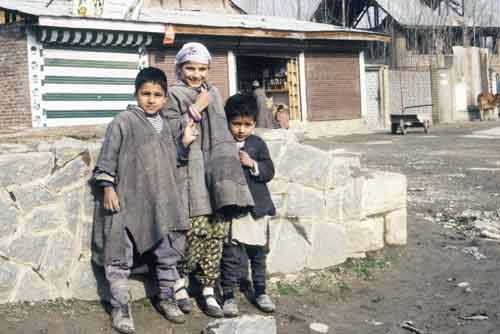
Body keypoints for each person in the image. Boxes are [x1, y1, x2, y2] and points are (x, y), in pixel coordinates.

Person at [92, 67, 197, 333]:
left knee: (167, 253)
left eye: (157, 95)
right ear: (136, 94)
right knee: (119, 257)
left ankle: (167, 298)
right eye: (145, 93)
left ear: (165, 98)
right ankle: (121, 308)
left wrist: (184, 143)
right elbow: (108, 159)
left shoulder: (168, 125)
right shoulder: (123, 122)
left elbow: (172, 162)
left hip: (160, 203)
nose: (151, 99)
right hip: (127, 200)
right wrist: (108, 188)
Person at [163, 42, 254, 318]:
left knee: (217, 231)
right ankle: (178, 282)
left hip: (217, 171)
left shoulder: (213, 92)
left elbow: (224, 129)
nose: (196, 74)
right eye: (190, 68)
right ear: (179, 69)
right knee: (195, 230)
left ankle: (207, 289)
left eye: (202, 69)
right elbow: (167, 129)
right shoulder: (174, 95)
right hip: (191, 171)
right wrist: (195, 109)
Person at [220, 93, 277, 317]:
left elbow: (269, 171)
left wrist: (253, 164)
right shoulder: (222, 144)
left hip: (257, 209)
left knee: (258, 254)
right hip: (235, 210)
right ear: (228, 122)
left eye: (247, 124)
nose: (241, 129)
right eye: (236, 124)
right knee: (231, 255)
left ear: (254, 123)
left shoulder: (257, 144)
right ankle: (229, 296)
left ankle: (261, 291)